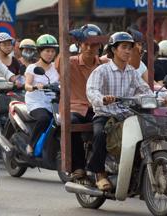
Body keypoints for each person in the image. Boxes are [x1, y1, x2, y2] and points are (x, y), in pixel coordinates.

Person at [86, 32, 152, 191]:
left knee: (146, 134)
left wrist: (161, 97)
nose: (128, 51)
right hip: (105, 114)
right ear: (114, 49)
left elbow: (145, 89)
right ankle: (99, 173)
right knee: (100, 134)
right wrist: (102, 98)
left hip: (127, 115)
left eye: (130, 48)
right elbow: (91, 90)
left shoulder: (132, 72)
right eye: (124, 47)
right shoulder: (102, 70)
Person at [60, 24, 107, 179]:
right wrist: (67, 41)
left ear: (99, 46)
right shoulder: (71, 61)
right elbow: (59, 62)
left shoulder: (103, 65)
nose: (89, 48)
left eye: (93, 45)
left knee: (109, 128)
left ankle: (102, 168)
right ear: (79, 45)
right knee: (70, 122)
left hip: (97, 108)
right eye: (85, 44)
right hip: (76, 108)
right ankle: (78, 166)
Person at [24, 34, 59, 155]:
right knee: (44, 118)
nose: (50, 54)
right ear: (40, 52)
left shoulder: (56, 67)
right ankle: (31, 144)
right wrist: (34, 86)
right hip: (36, 102)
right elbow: (27, 85)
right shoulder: (32, 68)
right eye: (47, 51)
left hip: (54, 103)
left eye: (52, 51)